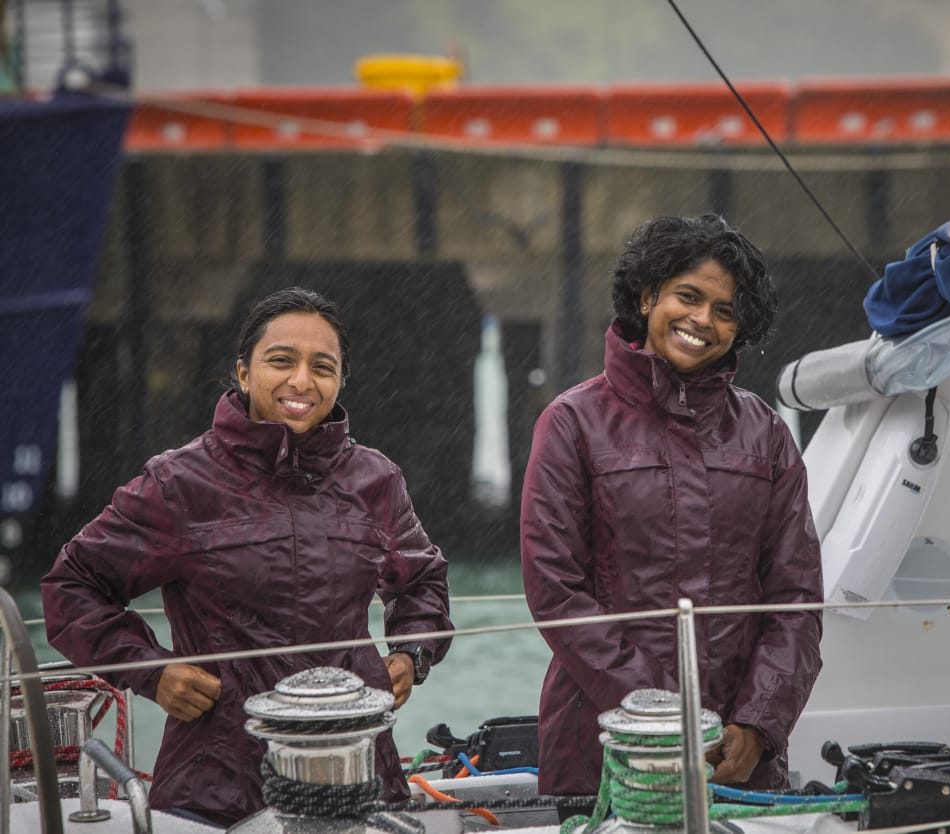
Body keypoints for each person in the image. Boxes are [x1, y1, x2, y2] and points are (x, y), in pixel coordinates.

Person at [42, 287, 453, 828]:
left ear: (340, 381)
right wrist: (152, 671)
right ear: (243, 372)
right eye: (281, 361)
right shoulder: (179, 483)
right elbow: (71, 586)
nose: (301, 381)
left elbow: (422, 580)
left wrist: (412, 653)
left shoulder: (376, 480)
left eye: (322, 367)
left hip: (360, 776)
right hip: (214, 787)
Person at [520, 214, 824, 798]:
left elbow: (796, 598)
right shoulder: (571, 423)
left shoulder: (766, 434)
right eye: (688, 296)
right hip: (604, 743)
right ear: (646, 294)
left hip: (737, 758)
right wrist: (663, 715)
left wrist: (758, 723)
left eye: (726, 310)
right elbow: (555, 590)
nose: (702, 320)